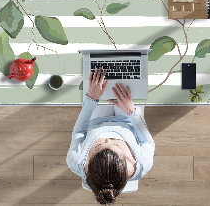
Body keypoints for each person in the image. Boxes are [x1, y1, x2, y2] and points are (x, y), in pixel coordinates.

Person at [66, 67, 155, 204]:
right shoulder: (142, 164)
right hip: (128, 120)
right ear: (126, 163)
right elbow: (147, 142)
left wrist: (91, 100)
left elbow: (79, 132)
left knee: (97, 81)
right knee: (131, 75)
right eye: (115, 145)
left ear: (89, 164)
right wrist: (131, 111)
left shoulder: (76, 162)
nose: (107, 138)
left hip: (96, 120)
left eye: (99, 146)